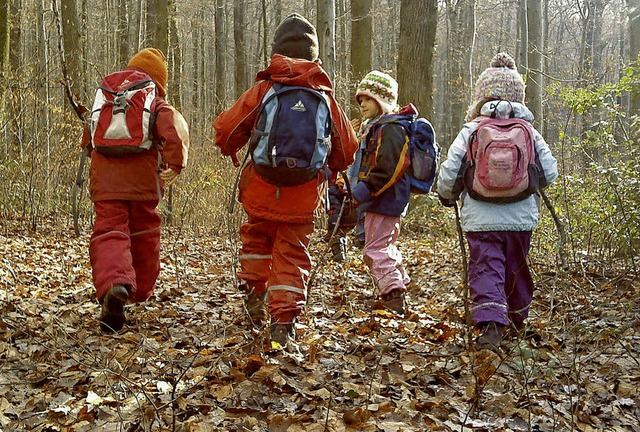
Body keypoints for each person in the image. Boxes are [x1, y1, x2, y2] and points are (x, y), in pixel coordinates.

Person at [213, 14, 358, 347]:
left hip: (261, 188)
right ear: (314, 56)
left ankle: (253, 296)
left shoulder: (265, 89)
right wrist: (328, 168)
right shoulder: (325, 96)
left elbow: (225, 130)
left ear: (276, 51)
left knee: (257, 240)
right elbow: (347, 150)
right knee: (293, 254)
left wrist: (231, 149)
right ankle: (284, 323)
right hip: (305, 195)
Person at [436, 53, 558, 350]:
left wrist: (446, 194)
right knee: (516, 266)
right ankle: (516, 317)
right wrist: (526, 183)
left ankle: (491, 324)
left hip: (480, 218)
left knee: (486, 266)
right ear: (519, 97)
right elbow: (550, 172)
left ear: (481, 97)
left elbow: (452, 168)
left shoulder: (473, 129)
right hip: (520, 219)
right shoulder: (528, 130)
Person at [82, 48, 190, 333]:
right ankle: (137, 290)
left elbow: (88, 136)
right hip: (143, 184)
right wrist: (176, 164)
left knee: (109, 232)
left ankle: (114, 285)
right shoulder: (154, 99)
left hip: (105, 183)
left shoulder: (108, 94)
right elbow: (172, 132)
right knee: (144, 234)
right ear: (159, 81)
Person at [349, 70, 414, 315]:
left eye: (367, 99)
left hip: (384, 199)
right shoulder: (376, 127)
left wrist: (364, 191)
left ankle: (393, 294)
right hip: (383, 198)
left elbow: (389, 168)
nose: (362, 104)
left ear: (382, 101)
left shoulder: (391, 128)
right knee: (385, 244)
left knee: (374, 248)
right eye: (360, 100)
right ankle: (400, 283)